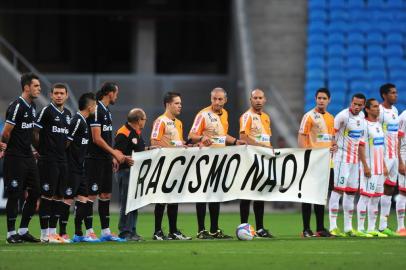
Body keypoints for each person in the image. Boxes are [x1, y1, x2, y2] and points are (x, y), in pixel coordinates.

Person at [188, 87, 246, 239]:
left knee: (216, 195)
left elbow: (222, 135)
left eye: (220, 99)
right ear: (211, 99)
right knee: (203, 194)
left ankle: (214, 230)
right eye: (214, 99)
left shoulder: (224, 114)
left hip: (220, 160)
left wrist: (235, 141)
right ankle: (201, 230)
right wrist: (201, 138)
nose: (217, 102)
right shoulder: (203, 115)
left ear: (225, 100)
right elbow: (191, 135)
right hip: (204, 160)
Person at [0, 72, 41, 243]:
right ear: (26, 87)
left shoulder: (32, 107)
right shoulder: (17, 106)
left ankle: (23, 230)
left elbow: (31, 133)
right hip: (14, 157)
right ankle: (10, 234)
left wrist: (38, 149)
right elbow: (6, 132)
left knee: (36, 191)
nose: (39, 89)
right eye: (36, 86)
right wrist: (3, 145)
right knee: (15, 194)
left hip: (28, 156)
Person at [85, 82, 127, 242]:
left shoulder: (106, 111)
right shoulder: (96, 110)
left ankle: (105, 231)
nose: (117, 96)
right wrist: (114, 153)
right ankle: (88, 231)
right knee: (91, 195)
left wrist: (110, 157)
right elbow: (96, 138)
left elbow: (106, 137)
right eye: (116, 93)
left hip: (104, 159)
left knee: (105, 194)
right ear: (110, 93)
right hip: (93, 159)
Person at [150, 92, 191, 240]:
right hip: (164, 165)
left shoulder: (178, 123)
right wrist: (174, 145)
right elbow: (154, 142)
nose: (180, 106)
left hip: (176, 165)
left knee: (174, 198)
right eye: (177, 103)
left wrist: (188, 146)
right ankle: (157, 231)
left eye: (180, 103)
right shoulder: (160, 121)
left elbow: (178, 143)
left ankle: (173, 231)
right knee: (162, 198)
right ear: (168, 104)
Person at [34, 83, 72, 243]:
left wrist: (62, 150)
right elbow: (34, 131)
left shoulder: (69, 114)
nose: (58, 96)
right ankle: (44, 235)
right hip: (48, 160)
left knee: (59, 196)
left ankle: (52, 232)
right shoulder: (46, 111)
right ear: (51, 95)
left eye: (61, 93)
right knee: (47, 196)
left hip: (62, 160)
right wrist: (40, 150)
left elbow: (68, 139)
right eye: (56, 93)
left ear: (66, 95)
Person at [298, 88, 336, 237]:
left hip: (326, 162)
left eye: (324, 98)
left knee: (321, 195)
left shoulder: (331, 118)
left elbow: (330, 137)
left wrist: (334, 145)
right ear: (315, 99)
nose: (321, 100)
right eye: (319, 98)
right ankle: (306, 229)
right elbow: (301, 137)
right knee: (308, 194)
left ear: (329, 100)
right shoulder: (309, 116)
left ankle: (320, 228)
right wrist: (305, 157)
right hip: (312, 161)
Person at [329, 93, 367, 237]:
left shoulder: (362, 117)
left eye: (359, 105)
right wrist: (333, 144)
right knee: (337, 190)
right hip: (341, 158)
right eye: (354, 104)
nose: (356, 107)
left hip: (354, 160)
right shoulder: (342, 116)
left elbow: (361, 140)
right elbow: (332, 133)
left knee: (351, 192)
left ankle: (348, 227)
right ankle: (333, 226)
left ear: (363, 105)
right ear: (351, 103)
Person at [63, 93, 99, 242]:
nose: (96, 108)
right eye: (95, 106)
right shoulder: (77, 120)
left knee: (83, 199)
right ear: (90, 107)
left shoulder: (84, 121)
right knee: (68, 199)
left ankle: (78, 234)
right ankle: (63, 233)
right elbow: (66, 142)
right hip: (72, 168)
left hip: (81, 168)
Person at [239, 89, 274, 238]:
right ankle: (243, 226)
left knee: (260, 194)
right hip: (249, 160)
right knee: (247, 194)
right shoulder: (247, 116)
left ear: (264, 100)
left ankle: (259, 228)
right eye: (255, 98)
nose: (258, 100)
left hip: (263, 160)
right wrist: (260, 146)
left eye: (260, 98)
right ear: (250, 100)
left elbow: (266, 140)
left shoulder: (266, 117)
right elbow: (243, 136)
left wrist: (268, 149)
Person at [114, 108, 150, 241]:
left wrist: (149, 149)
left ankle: (132, 230)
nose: (145, 122)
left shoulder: (135, 132)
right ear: (139, 120)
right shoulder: (123, 133)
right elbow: (117, 154)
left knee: (134, 202)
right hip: (126, 171)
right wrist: (126, 158)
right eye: (144, 119)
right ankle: (124, 231)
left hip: (134, 172)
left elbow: (136, 151)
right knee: (127, 202)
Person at [357, 98, 388, 237]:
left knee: (376, 198)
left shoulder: (379, 125)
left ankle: (371, 228)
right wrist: (365, 166)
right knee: (365, 196)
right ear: (367, 109)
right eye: (375, 107)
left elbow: (381, 147)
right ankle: (360, 228)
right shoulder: (364, 125)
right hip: (369, 166)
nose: (378, 108)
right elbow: (360, 146)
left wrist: (384, 165)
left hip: (379, 168)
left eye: (378, 106)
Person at [377, 83, 400, 236]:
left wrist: (400, 159)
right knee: (375, 191)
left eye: (396, 92)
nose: (395, 95)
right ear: (384, 95)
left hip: (394, 157)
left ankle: (383, 225)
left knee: (389, 190)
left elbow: (396, 135)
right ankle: (370, 226)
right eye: (392, 93)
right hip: (382, 156)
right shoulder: (378, 111)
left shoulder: (395, 110)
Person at [397, 108, 406, 236]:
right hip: (405, 155)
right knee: (404, 192)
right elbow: (397, 139)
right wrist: (400, 161)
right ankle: (400, 226)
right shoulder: (404, 116)